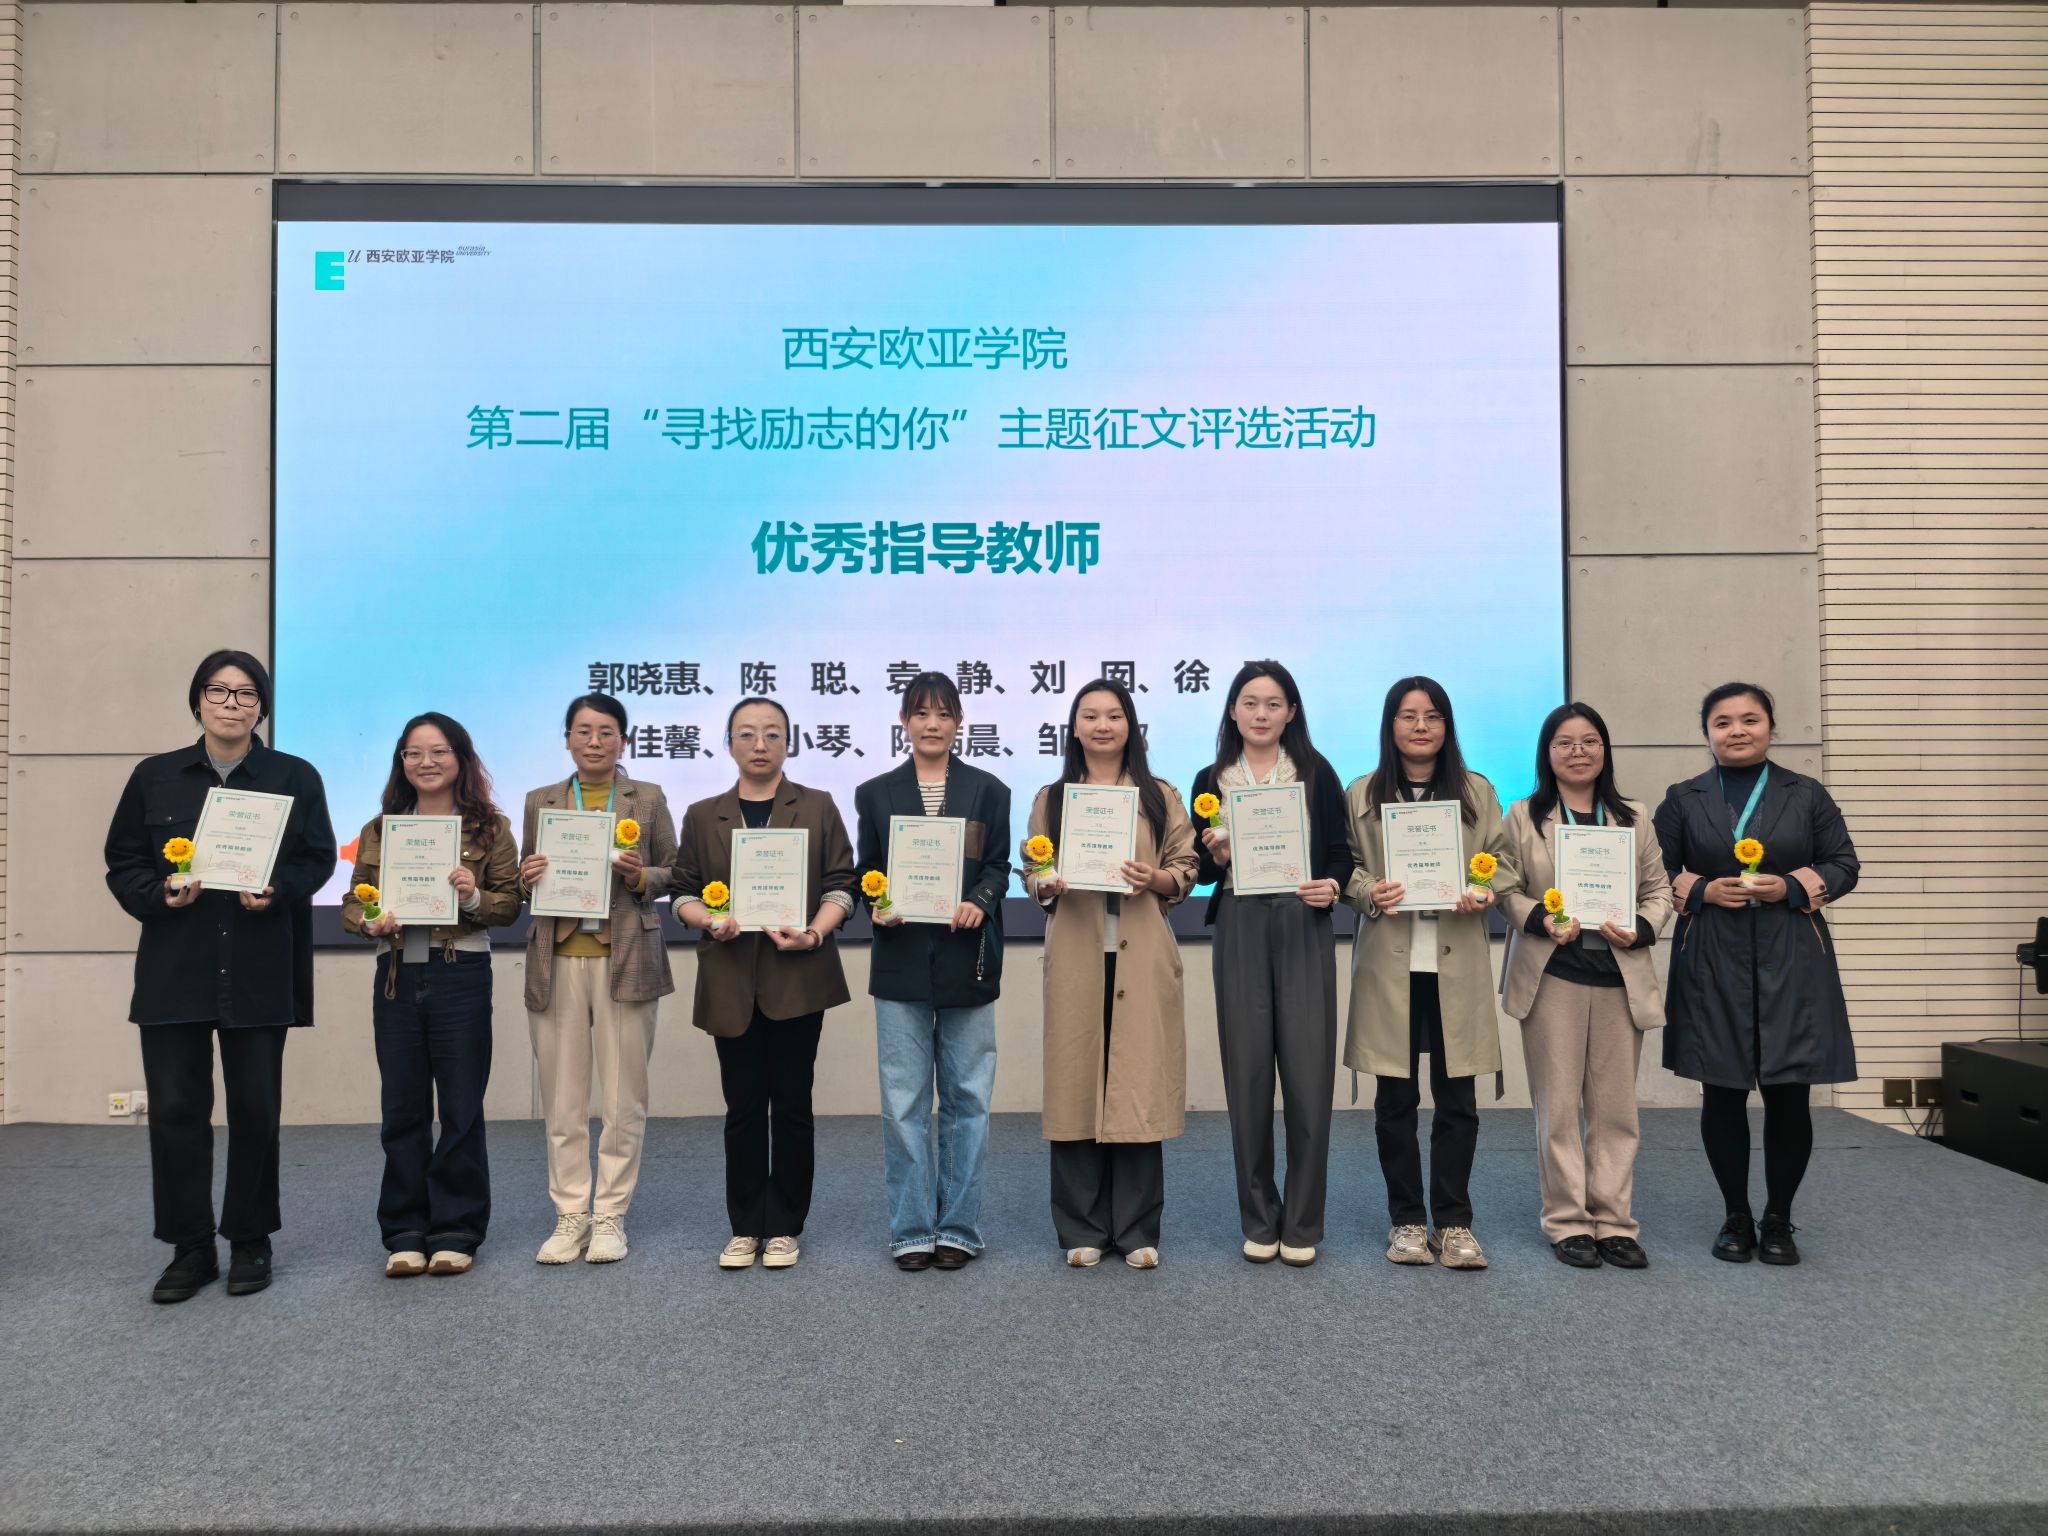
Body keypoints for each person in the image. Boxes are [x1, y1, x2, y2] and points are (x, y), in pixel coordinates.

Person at [102, 649, 337, 1303]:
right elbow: (124, 861)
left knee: (256, 1109)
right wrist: (159, 894)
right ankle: (191, 1247)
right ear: (198, 700)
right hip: (175, 969)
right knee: (176, 1112)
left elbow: (317, 858)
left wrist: (279, 889)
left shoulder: (294, 776)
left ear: (262, 708)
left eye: (246, 693)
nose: (232, 704)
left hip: (260, 966)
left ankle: (251, 1240)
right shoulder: (155, 777)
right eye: (218, 691)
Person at [1654, 682, 1859, 1266]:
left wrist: (1791, 886)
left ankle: (1778, 1218)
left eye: (1750, 719)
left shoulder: (1807, 793)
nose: (1737, 731)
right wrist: (1701, 890)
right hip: (1711, 954)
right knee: (1721, 1090)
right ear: (1707, 734)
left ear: (1771, 727)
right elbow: (1652, 869)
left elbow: (1844, 864)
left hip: (1791, 952)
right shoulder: (1683, 798)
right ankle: (1736, 1215)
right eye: (1723, 722)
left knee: (1790, 1093)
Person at [673, 697, 856, 1271]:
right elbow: (682, 892)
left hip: (798, 976)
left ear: (788, 743)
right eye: (747, 733)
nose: (760, 744)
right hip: (730, 979)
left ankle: (784, 1226)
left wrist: (815, 933)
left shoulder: (818, 806)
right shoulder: (703, 814)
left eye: (772, 733)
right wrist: (708, 921)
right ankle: (745, 1225)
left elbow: (842, 884)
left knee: (794, 1106)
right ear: (728, 744)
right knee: (743, 1108)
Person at [1342, 676, 1514, 1271]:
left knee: (1457, 1099)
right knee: (1395, 1100)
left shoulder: (1476, 790)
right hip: (1390, 964)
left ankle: (1455, 1222)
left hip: (1453, 963)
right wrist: (1369, 890)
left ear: (1447, 726)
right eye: (1408, 715)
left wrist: (1483, 888)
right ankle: (1407, 1220)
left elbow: (1504, 859)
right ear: (1390, 725)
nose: (1421, 726)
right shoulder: (1363, 792)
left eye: (1433, 715)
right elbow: (1346, 866)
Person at [1024, 679, 1197, 1270]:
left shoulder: (1159, 795)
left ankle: (1137, 1229)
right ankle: (1081, 1227)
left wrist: (1155, 878)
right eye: (1090, 716)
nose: (1102, 725)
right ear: (1074, 728)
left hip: (1140, 954)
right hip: (1078, 953)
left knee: (1136, 1086)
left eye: (1114, 715)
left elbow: (1185, 864)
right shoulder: (1053, 798)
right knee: (1075, 1085)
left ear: (1131, 726)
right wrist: (1045, 882)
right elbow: (1033, 865)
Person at [341, 713, 521, 1277]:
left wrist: (471, 897)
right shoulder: (380, 829)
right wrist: (369, 920)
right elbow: (353, 902)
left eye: (439, 751)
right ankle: (405, 1230)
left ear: (461, 758)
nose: (427, 762)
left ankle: (456, 1229)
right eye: (414, 753)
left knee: (461, 1107)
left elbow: (509, 906)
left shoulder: (490, 828)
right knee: (402, 1107)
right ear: (401, 762)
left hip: (459, 970)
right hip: (396, 973)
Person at [1186, 661, 1352, 1267]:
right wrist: (1217, 854)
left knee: (1308, 1077)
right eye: (1250, 702)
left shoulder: (1315, 771)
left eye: (1274, 703)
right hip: (1240, 920)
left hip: (1303, 920)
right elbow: (1200, 869)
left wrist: (1332, 886)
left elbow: (1340, 854)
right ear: (1233, 711)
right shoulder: (1210, 779)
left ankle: (1302, 1222)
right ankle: (1259, 1217)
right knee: (1248, 1074)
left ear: (1291, 713)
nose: (1261, 713)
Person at [1499, 703, 1673, 1269]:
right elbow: (1504, 887)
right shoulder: (1522, 815)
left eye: (1590, 740)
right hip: (1554, 974)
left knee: (1616, 1110)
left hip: (1619, 976)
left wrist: (1643, 925)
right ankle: (1568, 1221)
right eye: (1565, 742)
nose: (1578, 751)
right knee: (1557, 1110)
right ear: (1547, 753)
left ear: (1604, 750)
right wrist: (1539, 919)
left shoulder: (1634, 817)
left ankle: (1615, 1223)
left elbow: (1659, 889)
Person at [853, 673, 1012, 1272]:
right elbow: (867, 870)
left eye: (944, 713)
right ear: (904, 722)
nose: (932, 724)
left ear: (959, 722)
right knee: (903, 1102)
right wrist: (876, 902)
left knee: (968, 1100)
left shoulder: (988, 790)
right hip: (900, 960)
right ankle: (912, 1229)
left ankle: (960, 1227)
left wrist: (981, 899)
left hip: (966, 958)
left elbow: (997, 866)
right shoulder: (875, 793)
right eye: (921, 713)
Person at [518, 693, 677, 1266]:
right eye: (583, 731)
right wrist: (527, 874)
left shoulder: (647, 798)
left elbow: (674, 871)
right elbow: (523, 880)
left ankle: (610, 1214)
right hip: (557, 957)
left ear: (623, 741)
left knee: (622, 1096)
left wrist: (640, 876)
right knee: (562, 1100)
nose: (594, 741)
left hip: (625, 957)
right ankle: (570, 1215)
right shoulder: (541, 801)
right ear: (567, 739)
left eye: (606, 731)